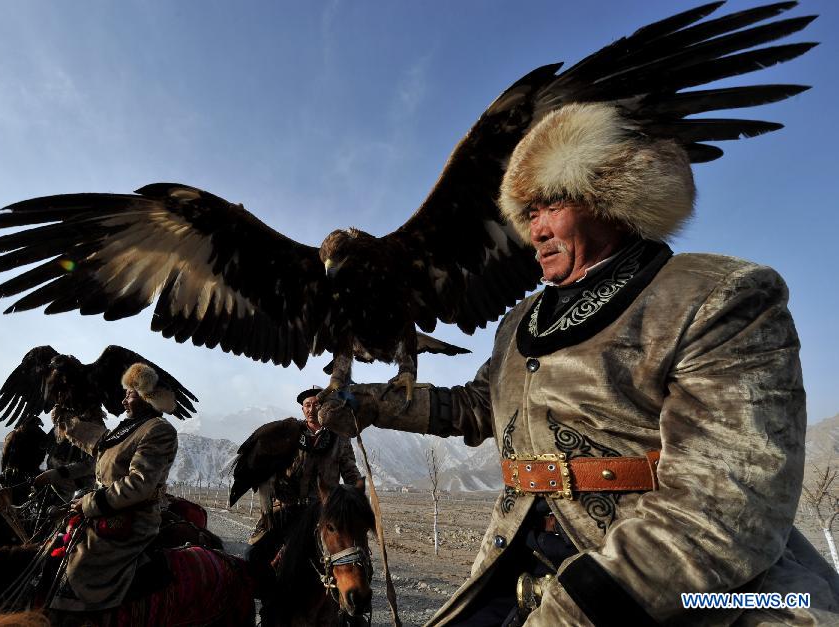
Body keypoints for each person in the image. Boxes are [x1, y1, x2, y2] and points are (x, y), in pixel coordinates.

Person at [318, 103, 839, 625]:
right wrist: (370, 405)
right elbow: (480, 406)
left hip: (671, 584)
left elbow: (725, 504)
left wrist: (576, 608)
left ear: (607, 199)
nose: (536, 230)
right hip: (519, 559)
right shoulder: (521, 320)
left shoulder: (713, 296)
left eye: (551, 205)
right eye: (528, 214)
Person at [48, 362, 179, 621]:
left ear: (147, 398)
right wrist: (65, 423)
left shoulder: (158, 430)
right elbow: (97, 442)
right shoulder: (127, 428)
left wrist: (90, 503)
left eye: (130, 394)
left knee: (79, 569)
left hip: (133, 521)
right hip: (105, 512)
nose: (123, 400)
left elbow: (140, 484)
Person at [267, 386, 364, 530]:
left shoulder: (339, 437)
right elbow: (274, 468)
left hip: (324, 510)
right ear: (302, 409)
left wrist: (358, 498)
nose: (311, 410)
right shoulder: (290, 434)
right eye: (307, 405)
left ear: (325, 408)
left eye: (316, 405)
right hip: (288, 507)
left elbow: (350, 473)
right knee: (262, 541)